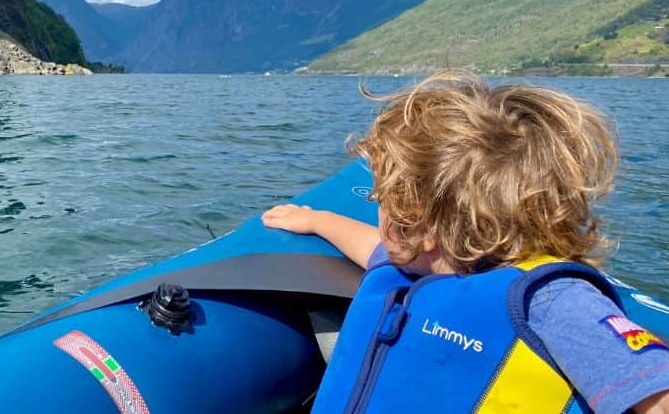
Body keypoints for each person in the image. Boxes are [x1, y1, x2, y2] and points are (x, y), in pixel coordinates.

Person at [262, 72, 669, 413]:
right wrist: (318, 220)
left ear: (414, 221)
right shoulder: (412, 262)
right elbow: (372, 246)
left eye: (379, 199)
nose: (376, 209)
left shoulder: (551, 302)